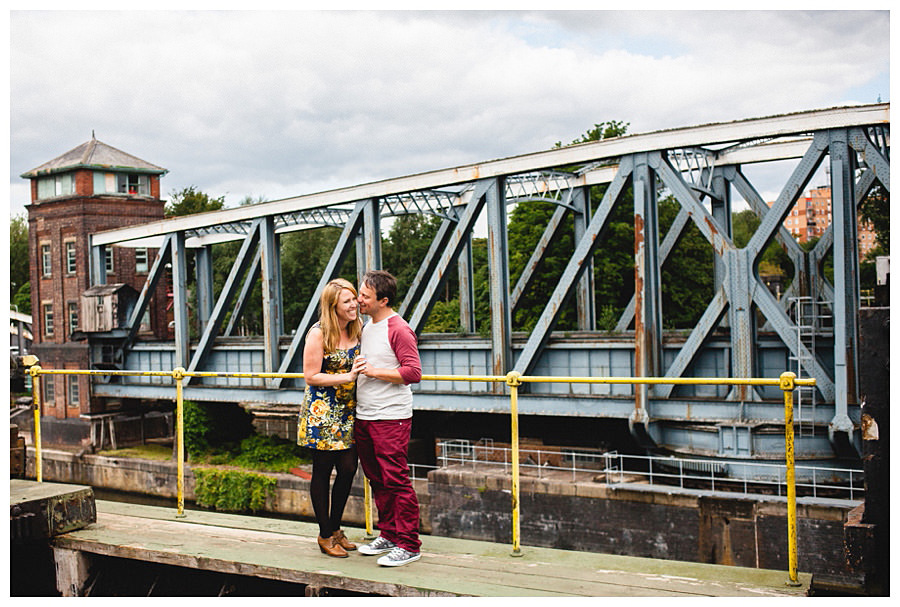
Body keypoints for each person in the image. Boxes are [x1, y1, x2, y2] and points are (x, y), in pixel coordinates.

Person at [354, 270, 423, 567]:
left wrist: (372, 371)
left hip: (390, 417)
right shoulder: (368, 325)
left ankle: (409, 544)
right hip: (365, 415)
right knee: (377, 479)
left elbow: (413, 373)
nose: (359, 300)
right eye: (359, 294)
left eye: (365, 297)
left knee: (396, 480)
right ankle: (390, 534)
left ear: (383, 300)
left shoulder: (399, 329)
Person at [297, 278, 367, 558]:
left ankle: (336, 529)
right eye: (348, 301)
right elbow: (310, 376)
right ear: (333, 306)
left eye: (355, 299)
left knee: (349, 468)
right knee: (323, 471)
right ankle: (325, 534)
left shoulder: (358, 327)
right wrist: (347, 376)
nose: (355, 305)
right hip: (323, 412)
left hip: (349, 410)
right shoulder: (318, 333)